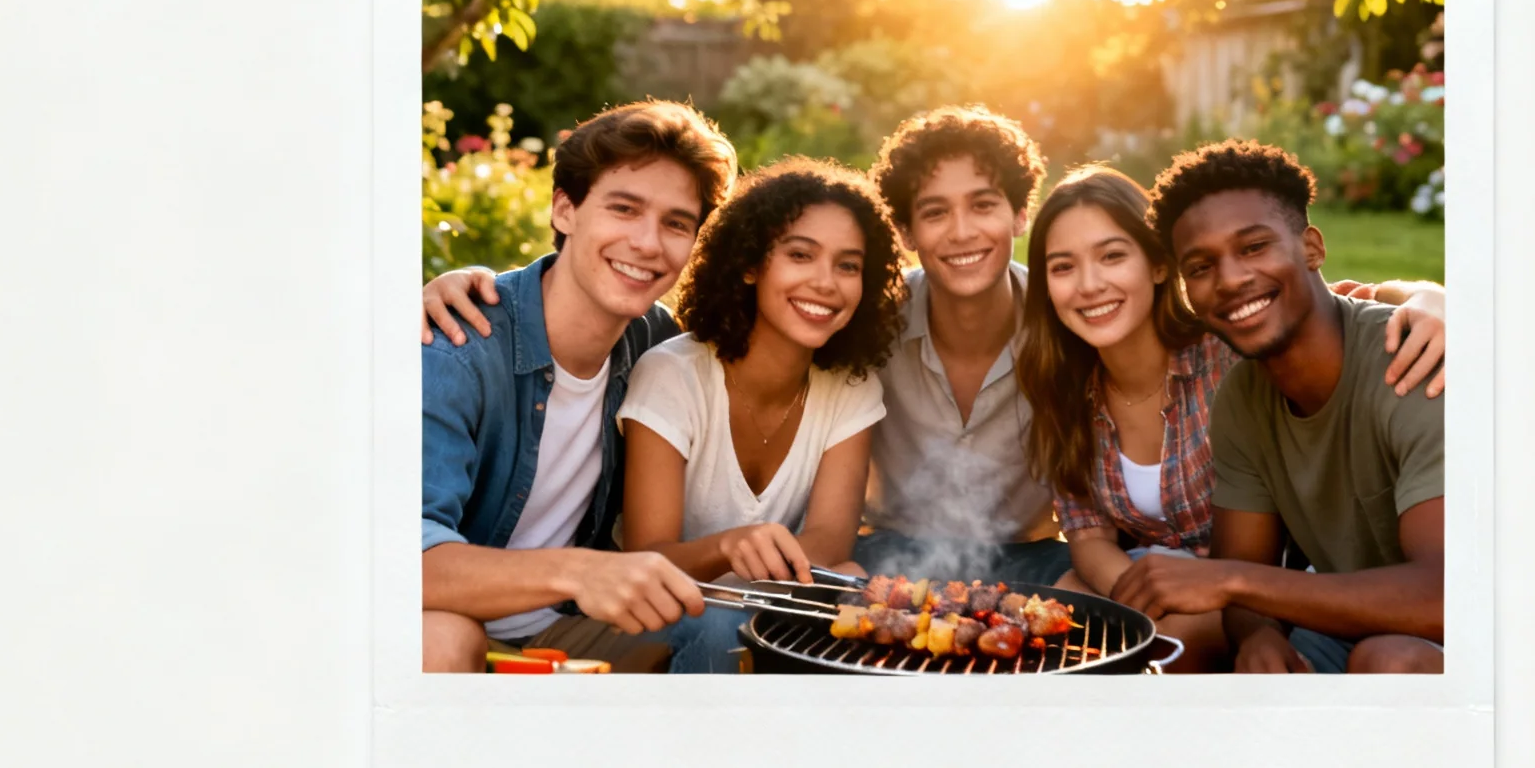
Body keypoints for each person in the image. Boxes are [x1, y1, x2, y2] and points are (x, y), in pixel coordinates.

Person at [1014, 165, 1446, 671]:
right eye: (1062, 267)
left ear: (1156, 267)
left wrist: (1432, 298)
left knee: (1383, 657)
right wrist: (1245, 631)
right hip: (1205, 586)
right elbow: (1089, 534)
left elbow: (1350, 300)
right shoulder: (1235, 395)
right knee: (1063, 619)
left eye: (1112, 256)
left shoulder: (1237, 353)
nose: (1089, 285)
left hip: (1314, 600)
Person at [419, 99, 748, 674]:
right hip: (450, 621)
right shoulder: (458, 345)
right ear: (565, 210)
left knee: (725, 624)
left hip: (565, 625)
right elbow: (398, 559)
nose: (648, 243)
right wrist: (576, 569)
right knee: (441, 640)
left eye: (676, 223)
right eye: (624, 209)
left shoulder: (656, 343)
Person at [615, 159, 906, 583]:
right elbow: (647, 558)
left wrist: (745, 584)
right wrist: (730, 547)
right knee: (846, 580)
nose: (826, 283)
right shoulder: (673, 376)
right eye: (800, 255)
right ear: (750, 265)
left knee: (853, 576)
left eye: (848, 265)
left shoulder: (851, 389)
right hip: (653, 617)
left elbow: (829, 544)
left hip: (765, 609)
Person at [849, 104, 1070, 585]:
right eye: (935, 212)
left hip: (1032, 557)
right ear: (906, 232)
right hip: (888, 553)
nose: (963, 231)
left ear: (1019, 214)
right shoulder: (869, 324)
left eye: (983, 205)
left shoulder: (1066, 321)